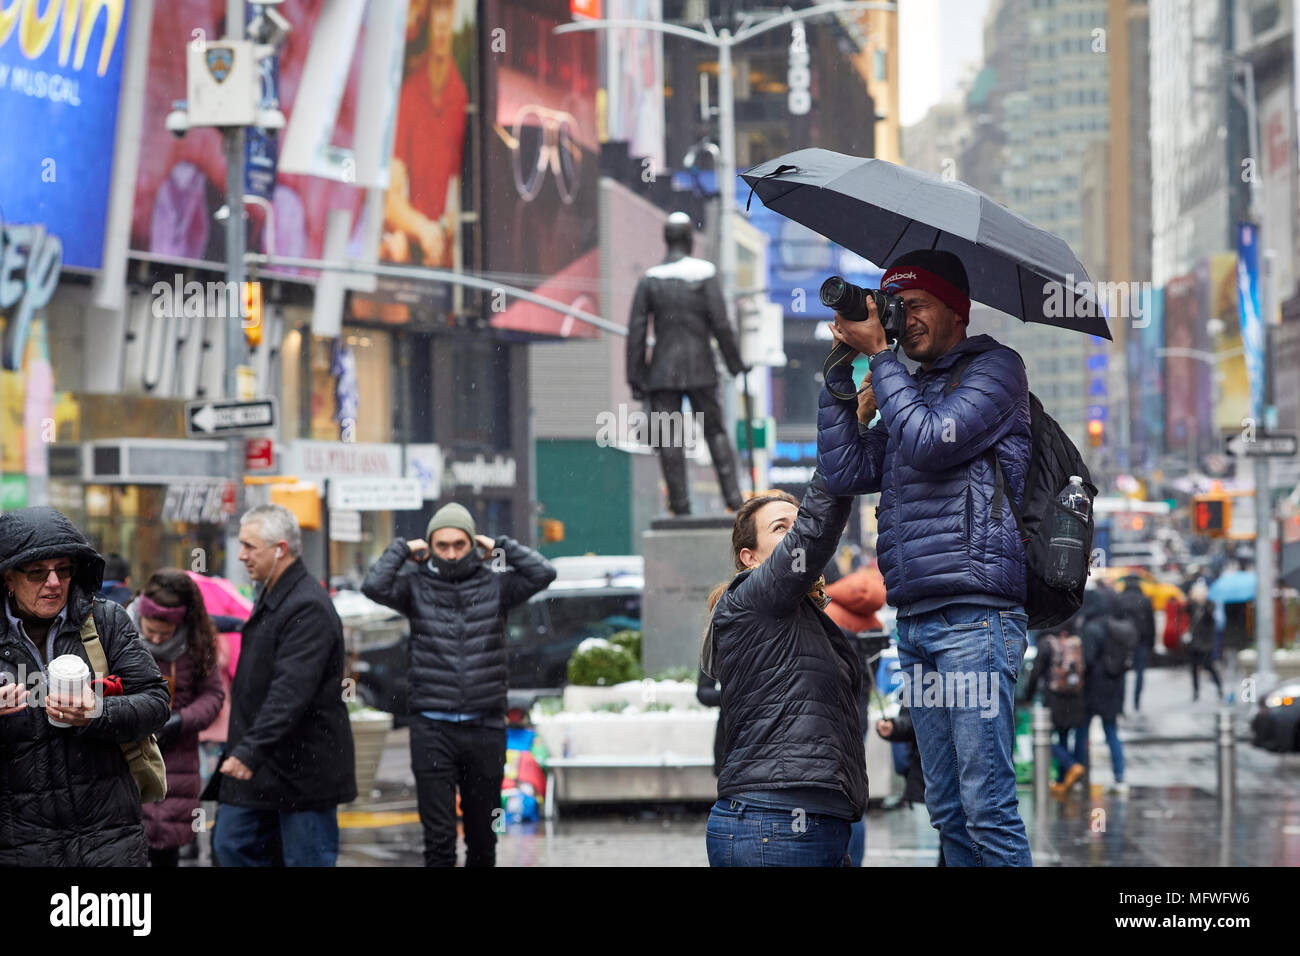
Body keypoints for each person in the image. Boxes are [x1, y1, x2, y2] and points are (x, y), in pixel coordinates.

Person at [817, 248, 1033, 866]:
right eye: (894, 307)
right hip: (915, 620)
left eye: (915, 305)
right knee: (946, 809)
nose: (902, 319)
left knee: (985, 804)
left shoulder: (995, 370)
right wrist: (840, 383)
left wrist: (884, 362)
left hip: (975, 615)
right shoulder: (911, 386)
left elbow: (932, 442)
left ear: (956, 309)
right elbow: (843, 468)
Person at [362, 502, 556, 867]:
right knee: (438, 840)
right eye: (442, 545)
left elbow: (543, 572)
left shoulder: (497, 586)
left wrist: (498, 544)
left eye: (459, 544)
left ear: (472, 544)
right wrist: (402, 549)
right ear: (431, 547)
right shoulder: (414, 587)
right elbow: (373, 585)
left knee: (483, 838)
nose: (451, 553)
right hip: (431, 728)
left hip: (485, 727)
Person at [701, 477, 867, 867]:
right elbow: (816, 530)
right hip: (773, 825)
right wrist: (852, 434)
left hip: (806, 825)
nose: (796, 535)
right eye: (781, 528)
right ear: (750, 557)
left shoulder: (799, 618)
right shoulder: (752, 596)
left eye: (798, 523)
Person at [0, 506, 170, 866]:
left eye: (63, 570)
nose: (54, 583)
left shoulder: (105, 620)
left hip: (110, 842)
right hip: (19, 847)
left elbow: (156, 702)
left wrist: (97, 712)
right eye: (36, 573)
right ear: (8, 578)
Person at [211, 505, 357, 867]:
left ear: (280, 549)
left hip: (302, 769)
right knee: (230, 845)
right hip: (265, 764)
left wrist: (249, 751)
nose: (241, 555)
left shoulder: (307, 606)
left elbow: (291, 691)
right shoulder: (274, 593)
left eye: (250, 546)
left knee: (304, 859)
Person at [627, 212, 749, 514]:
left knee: (669, 437)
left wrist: (636, 377)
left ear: (666, 239)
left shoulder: (651, 280)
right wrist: (735, 363)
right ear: (690, 241)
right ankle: (733, 500)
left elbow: (637, 333)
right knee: (715, 432)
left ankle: (680, 506)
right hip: (701, 368)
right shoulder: (705, 275)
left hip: (662, 371)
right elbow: (721, 325)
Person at [128, 569, 226, 866]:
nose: (156, 639)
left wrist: (181, 720)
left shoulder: (197, 643)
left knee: (166, 849)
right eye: (150, 630)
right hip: (129, 759)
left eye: (165, 634)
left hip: (178, 765)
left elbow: (213, 696)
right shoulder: (118, 634)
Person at [382, 0, 466, 267]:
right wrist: (423, 229)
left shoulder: (462, 98)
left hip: (446, 262)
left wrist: (445, 232)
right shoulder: (409, 95)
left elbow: (461, 193)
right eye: (436, 10)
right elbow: (390, 200)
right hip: (410, 257)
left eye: (447, 10)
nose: (441, 23)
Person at [1023, 629, 1089, 795]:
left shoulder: (1047, 643)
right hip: (1073, 698)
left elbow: (1036, 672)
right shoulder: (1075, 640)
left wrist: (1028, 696)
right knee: (1064, 737)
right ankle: (1062, 780)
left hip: (1054, 698)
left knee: (1046, 740)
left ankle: (1071, 765)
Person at [1076, 582, 1127, 793]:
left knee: (1081, 733)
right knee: (1111, 732)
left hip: (1092, 689)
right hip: (1113, 687)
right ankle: (1119, 777)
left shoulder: (1090, 628)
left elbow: (1086, 661)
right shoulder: (1115, 625)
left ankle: (1078, 775)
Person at [1114, 574, 1156, 711]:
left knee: (1121, 672)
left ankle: (1121, 703)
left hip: (1123, 641)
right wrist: (1151, 643)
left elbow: (1114, 620)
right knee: (1140, 672)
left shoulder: (1120, 599)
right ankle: (1136, 701)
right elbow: (1151, 623)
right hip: (1141, 640)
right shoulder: (1145, 600)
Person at [1186, 579, 1223, 702]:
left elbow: (1210, 616)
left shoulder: (1209, 604)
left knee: (1209, 666)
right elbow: (1186, 610)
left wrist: (1203, 603)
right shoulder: (1193, 605)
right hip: (1194, 642)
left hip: (1206, 643)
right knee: (1194, 668)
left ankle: (1219, 688)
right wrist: (1192, 598)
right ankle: (1195, 691)